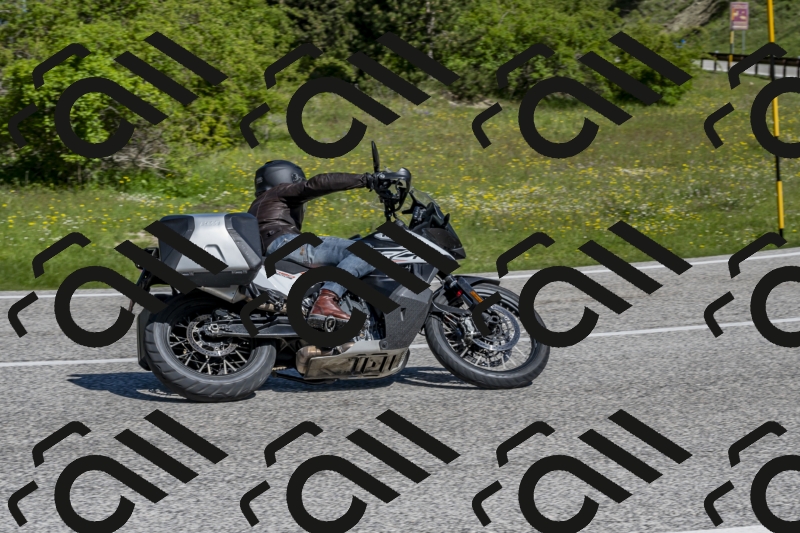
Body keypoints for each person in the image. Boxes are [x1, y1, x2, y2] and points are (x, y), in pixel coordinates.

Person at [248, 159, 379, 326]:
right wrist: (366, 179)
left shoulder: (259, 204)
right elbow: (316, 184)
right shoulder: (279, 190)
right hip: (284, 242)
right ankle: (326, 301)